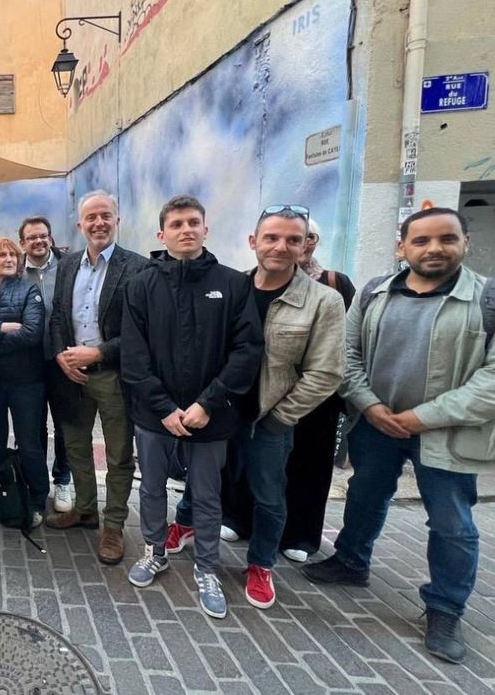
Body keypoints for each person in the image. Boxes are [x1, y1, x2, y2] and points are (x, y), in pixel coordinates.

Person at [305, 207, 495, 665]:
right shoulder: (375, 292)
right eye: (422, 240)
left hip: (445, 432)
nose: (434, 248)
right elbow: (347, 355)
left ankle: (445, 607)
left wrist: (422, 417)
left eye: (446, 239)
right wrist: (369, 404)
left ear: (465, 243)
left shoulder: (487, 298)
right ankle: (351, 561)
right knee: (365, 494)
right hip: (376, 422)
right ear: (402, 246)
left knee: (452, 523)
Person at [178, 205, 343, 610]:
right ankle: (182, 525)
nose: (281, 247)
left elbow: (326, 373)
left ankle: (261, 563)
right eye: (271, 237)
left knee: (269, 496)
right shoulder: (231, 286)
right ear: (254, 242)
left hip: (267, 417)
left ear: (306, 245)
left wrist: (280, 417)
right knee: (201, 479)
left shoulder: (323, 301)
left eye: (292, 239)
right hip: (218, 409)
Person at [121, 196, 263, 619]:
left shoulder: (234, 284)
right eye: (177, 224)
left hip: (212, 417)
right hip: (154, 415)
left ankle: (206, 568)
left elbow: (247, 350)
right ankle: (154, 550)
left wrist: (207, 403)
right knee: (150, 488)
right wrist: (163, 407)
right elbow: (134, 355)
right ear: (162, 234)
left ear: (206, 229)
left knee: (205, 495)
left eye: (194, 222)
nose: (186, 229)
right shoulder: (141, 285)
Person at [46, 190, 148, 566]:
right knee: (74, 445)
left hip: (113, 375)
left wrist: (99, 352)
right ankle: (85, 509)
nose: (99, 223)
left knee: (120, 454)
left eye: (105, 215)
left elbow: (140, 331)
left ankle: (114, 526)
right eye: (91, 217)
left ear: (116, 220)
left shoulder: (136, 268)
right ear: (80, 224)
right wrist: (61, 355)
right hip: (72, 373)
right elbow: (57, 315)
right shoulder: (68, 264)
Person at [279, 219, 356, 562]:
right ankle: (254, 521)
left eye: (305, 236)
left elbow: (348, 341)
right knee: (268, 462)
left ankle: (302, 534)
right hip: (273, 390)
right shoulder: (260, 279)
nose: (298, 243)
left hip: (319, 395)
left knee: (310, 465)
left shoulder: (335, 283)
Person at [0, 237, 49, 526]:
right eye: (1, 255)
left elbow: (32, 333)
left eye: (13, 255)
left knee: (29, 442)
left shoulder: (29, 289)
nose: (8, 259)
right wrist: (1, 328)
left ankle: (37, 497)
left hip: (26, 382)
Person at [20, 216, 74, 514]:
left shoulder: (69, 266)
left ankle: (63, 478)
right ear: (23, 243)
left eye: (43, 236)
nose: (39, 241)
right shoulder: (15, 271)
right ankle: (35, 478)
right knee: (34, 425)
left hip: (62, 358)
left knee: (65, 424)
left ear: (50, 238)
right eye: (32, 238)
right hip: (29, 362)